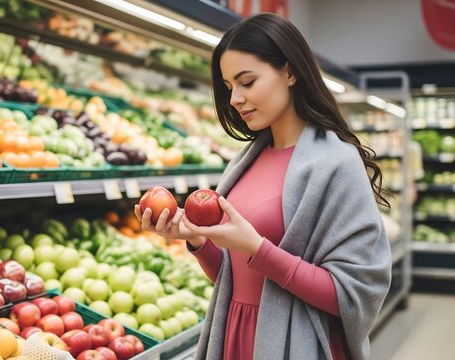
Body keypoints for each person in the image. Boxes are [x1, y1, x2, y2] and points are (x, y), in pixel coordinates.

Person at [134, 13, 391, 360]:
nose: (236, 98)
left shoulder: (336, 163)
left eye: (247, 81)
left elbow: (354, 293)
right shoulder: (245, 161)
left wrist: (258, 249)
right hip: (235, 336)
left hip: (295, 346)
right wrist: (195, 239)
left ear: (289, 71)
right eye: (229, 87)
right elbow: (233, 279)